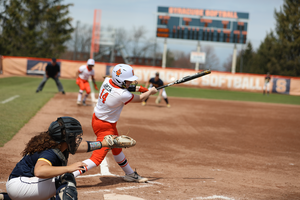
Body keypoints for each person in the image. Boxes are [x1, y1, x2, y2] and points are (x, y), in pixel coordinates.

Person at [72, 64, 157, 183]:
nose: (129, 83)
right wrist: (150, 91)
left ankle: (130, 174)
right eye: (127, 81)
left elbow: (126, 88)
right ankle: (70, 174)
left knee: (117, 149)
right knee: (96, 159)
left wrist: (141, 88)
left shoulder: (108, 80)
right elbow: (140, 99)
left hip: (98, 120)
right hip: (105, 127)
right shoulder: (122, 94)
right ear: (120, 80)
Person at [0, 116, 119, 200]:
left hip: (20, 185)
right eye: (75, 136)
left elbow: (83, 146)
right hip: (20, 186)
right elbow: (39, 171)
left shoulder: (58, 144)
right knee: (66, 179)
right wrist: (68, 168)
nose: (78, 139)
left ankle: (4, 197)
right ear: (67, 138)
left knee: (55, 193)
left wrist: (103, 144)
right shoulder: (50, 152)